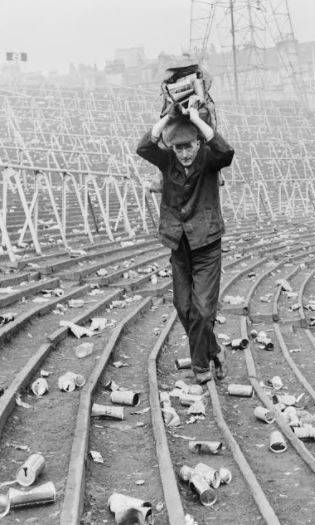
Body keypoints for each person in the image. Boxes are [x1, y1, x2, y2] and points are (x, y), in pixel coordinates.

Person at [136, 104, 234, 384]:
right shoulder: (167, 162)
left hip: (206, 246)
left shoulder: (208, 158)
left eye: (188, 146)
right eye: (178, 148)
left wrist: (194, 119)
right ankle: (214, 349)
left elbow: (226, 152)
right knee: (184, 308)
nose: (184, 154)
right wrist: (167, 117)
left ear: (198, 143)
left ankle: (201, 368)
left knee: (203, 310)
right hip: (179, 246)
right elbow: (144, 147)